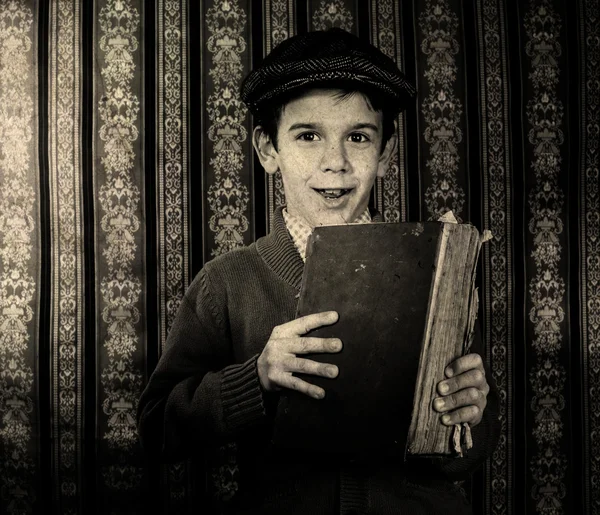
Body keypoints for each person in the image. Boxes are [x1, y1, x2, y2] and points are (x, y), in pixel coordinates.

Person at [137, 28, 500, 514]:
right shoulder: (226, 281)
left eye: (358, 137)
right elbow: (157, 431)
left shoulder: (436, 272)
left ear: (385, 154)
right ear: (268, 150)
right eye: (308, 136)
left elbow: (462, 459)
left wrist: (471, 414)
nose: (336, 163)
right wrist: (255, 378)